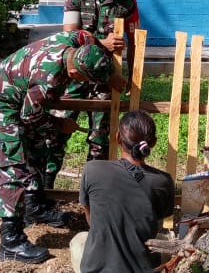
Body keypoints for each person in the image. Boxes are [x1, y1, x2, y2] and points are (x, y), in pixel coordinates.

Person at [0, 30, 123, 264]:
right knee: (14, 167)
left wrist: (107, 60)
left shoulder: (79, 40)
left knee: (36, 150)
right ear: (74, 73)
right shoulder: (48, 80)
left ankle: (34, 207)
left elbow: (88, 37)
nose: (84, 84)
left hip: (19, 99)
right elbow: (30, 116)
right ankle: (10, 240)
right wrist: (60, 125)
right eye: (85, 80)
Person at [44, 0, 141, 188]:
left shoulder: (127, 2)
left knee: (100, 139)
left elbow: (135, 41)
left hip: (105, 79)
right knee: (57, 133)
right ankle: (45, 189)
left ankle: (93, 193)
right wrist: (100, 43)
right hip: (73, 76)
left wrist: (134, 76)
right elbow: (69, 35)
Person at [70, 109, 175, 273]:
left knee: (78, 240)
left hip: (96, 269)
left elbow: (91, 218)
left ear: (118, 137)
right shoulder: (164, 181)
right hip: (143, 268)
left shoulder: (92, 169)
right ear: (153, 143)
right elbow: (157, 220)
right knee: (165, 241)